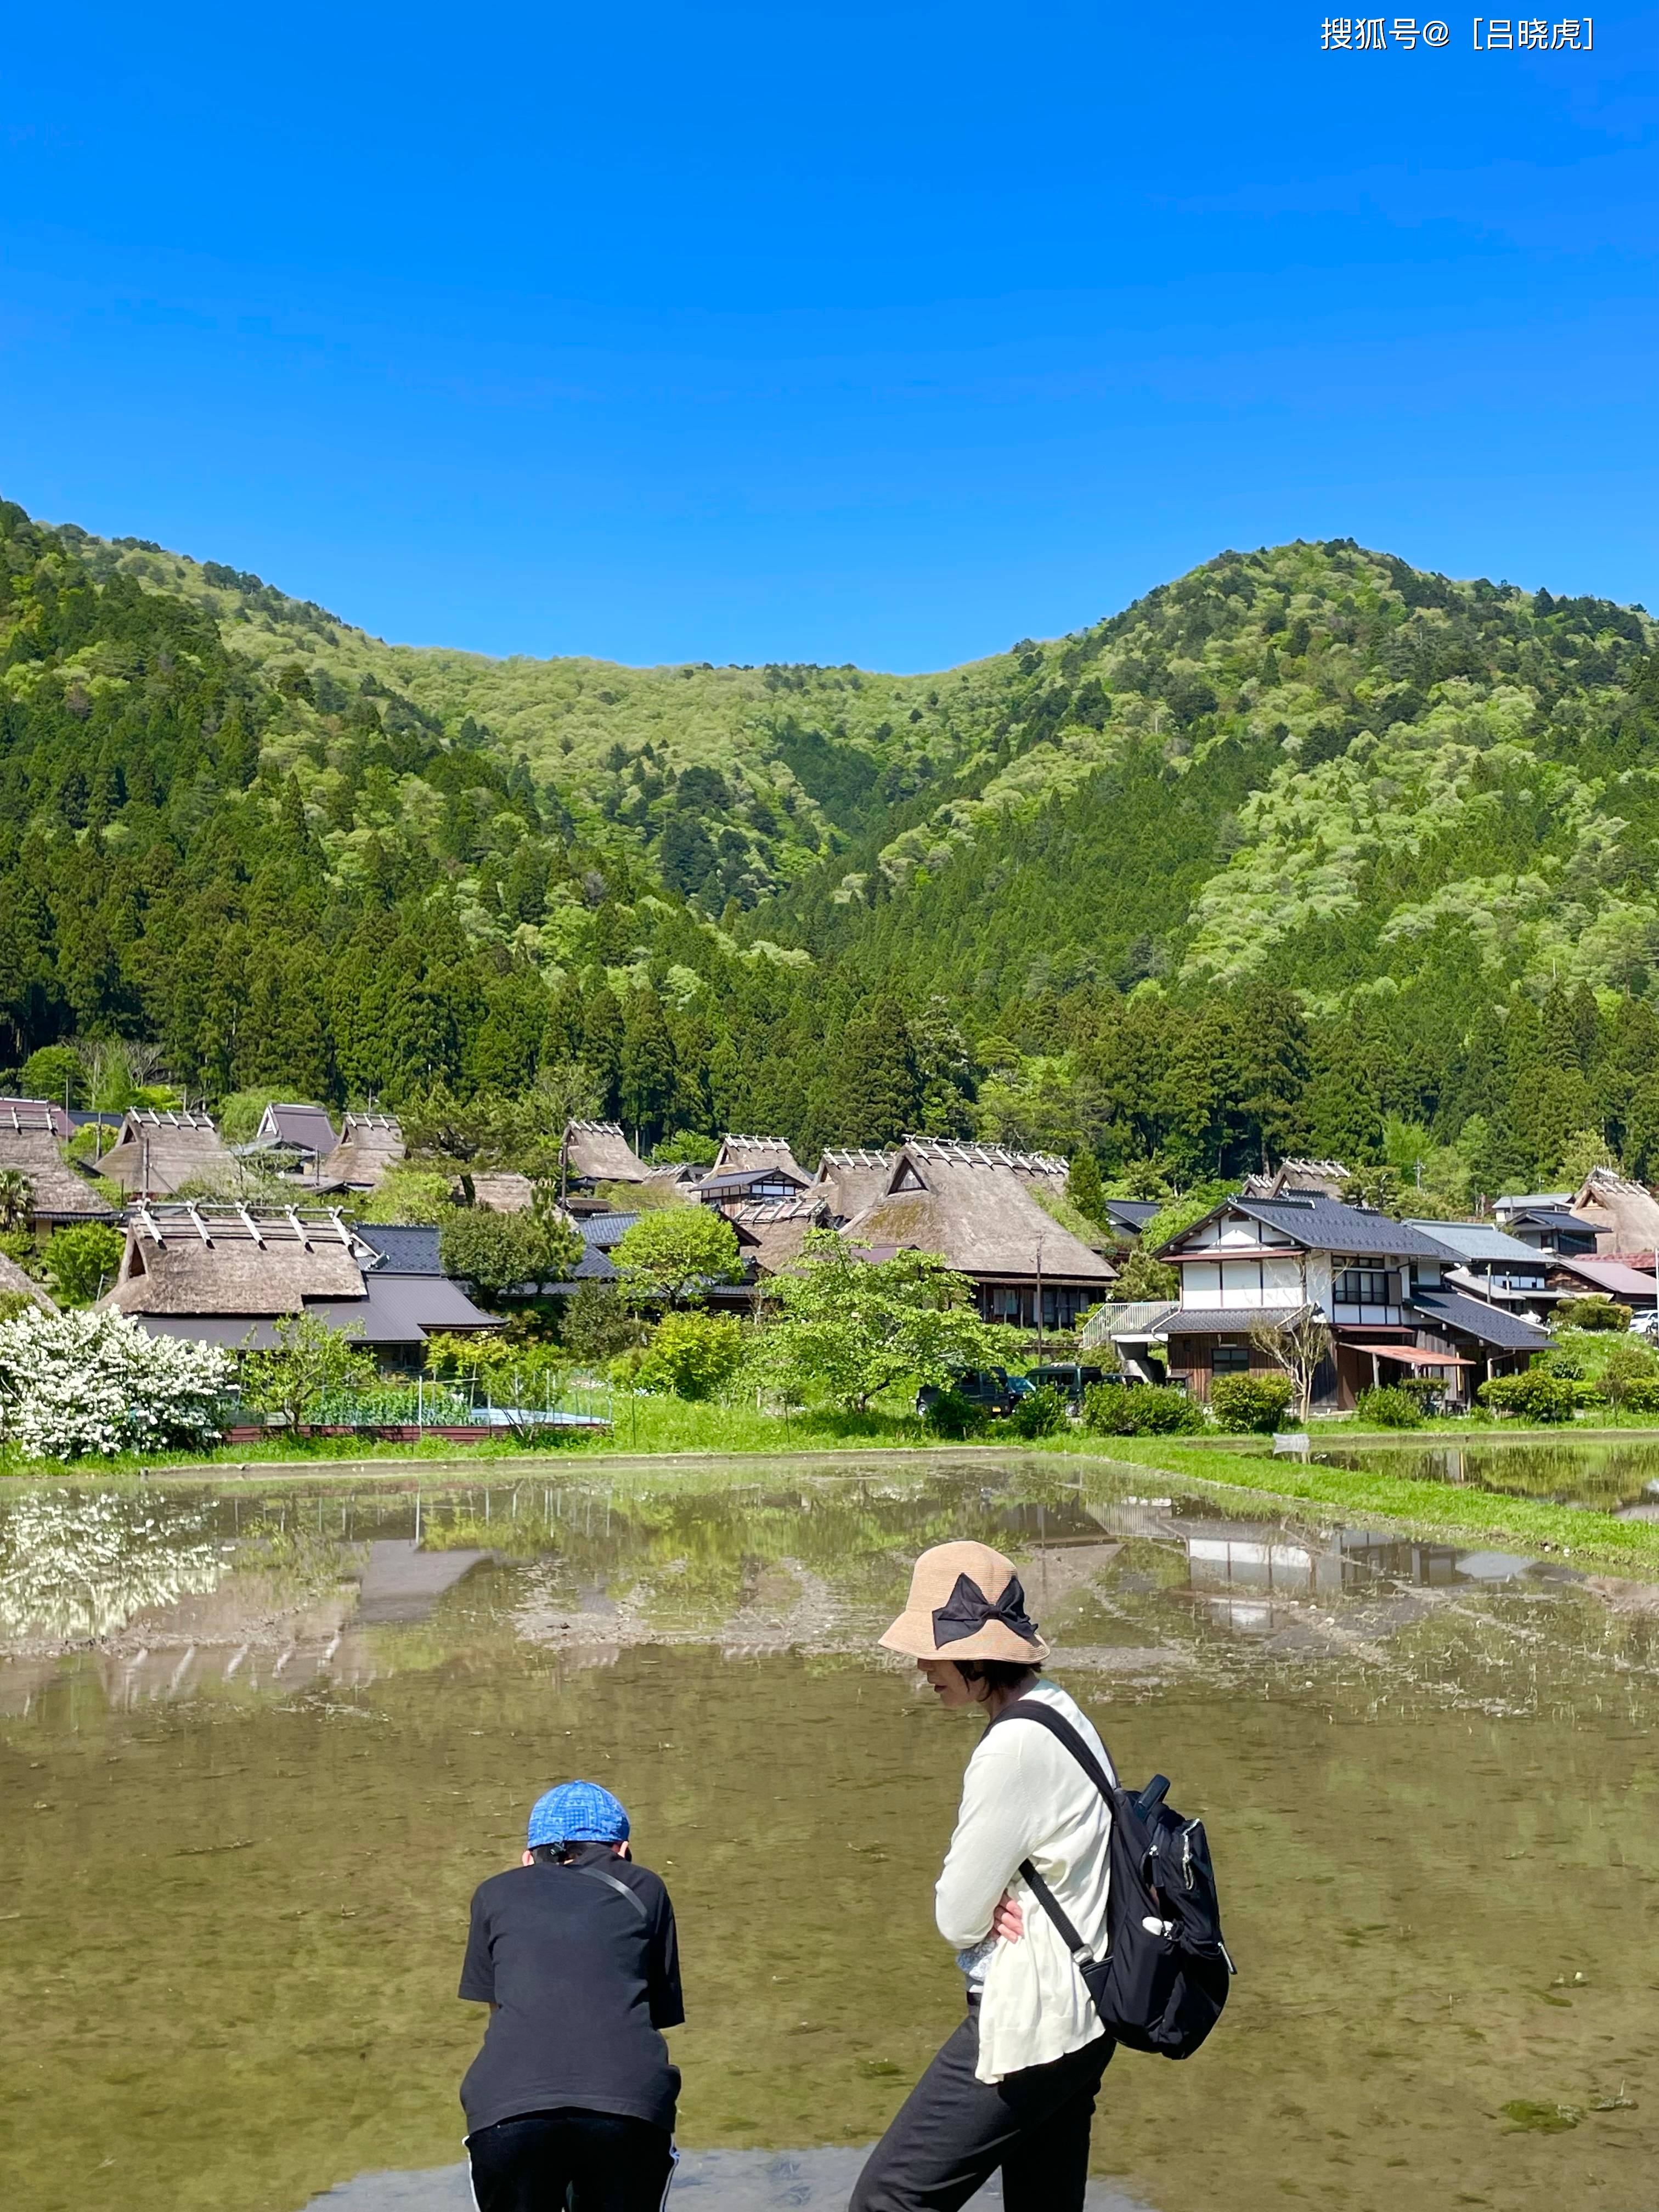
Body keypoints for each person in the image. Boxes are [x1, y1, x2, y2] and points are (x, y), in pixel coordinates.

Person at [850, 1540, 1115, 2212]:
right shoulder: (1059, 1708)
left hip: (1033, 2020)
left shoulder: (1010, 1748)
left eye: (931, 1653)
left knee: (889, 2199)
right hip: (1087, 2014)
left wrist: (990, 1898)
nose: (920, 1668)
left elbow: (957, 1917)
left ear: (975, 1654)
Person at [459, 1779, 682, 2212]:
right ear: (622, 1850)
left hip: (507, 2109)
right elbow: (651, 2011)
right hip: (627, 2105)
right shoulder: (647, 1889)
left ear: (528, 1858)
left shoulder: (492, 1894)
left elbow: (499, 2009)